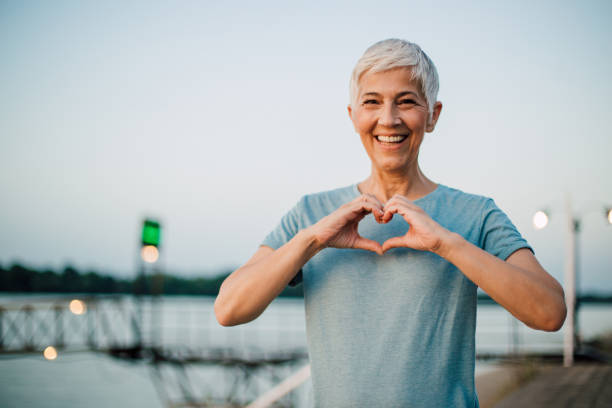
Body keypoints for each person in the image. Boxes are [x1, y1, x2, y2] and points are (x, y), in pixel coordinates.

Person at [214, 38, 566, 407]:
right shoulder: (311, 214)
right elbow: (229, 308)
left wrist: (446, 244)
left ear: (433, 115)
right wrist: (312, 241)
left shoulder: (476, 214)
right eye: (372, 102)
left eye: (407, 101)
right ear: (352, 115)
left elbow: (549, 312)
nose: (389, 118)